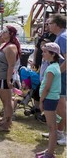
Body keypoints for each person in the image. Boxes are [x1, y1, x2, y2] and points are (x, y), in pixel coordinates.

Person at [0, 25, 21, 132]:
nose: (2, 33)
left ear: (10, 34)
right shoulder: (4, 45)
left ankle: (7, 124)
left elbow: (11, 65)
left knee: (7, 101)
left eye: (5, 32)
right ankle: (5, 119)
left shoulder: (11, 47)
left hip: (4, 77)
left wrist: (8, 80)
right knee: (4, 101)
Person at [36, 43, 62, 158]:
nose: (43, 53)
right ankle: (49, 150)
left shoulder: (51, 68)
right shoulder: (54, 66)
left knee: (52, 128)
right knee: (53, 128)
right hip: (52, 99)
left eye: (45, 52)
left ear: (52, 54)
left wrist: (41, 101)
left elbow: (47, 87)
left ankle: (50, 153)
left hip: (49, 100)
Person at [46, 13, 66, 146]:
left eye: (50, 23)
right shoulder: (60, 36)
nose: (48, 25)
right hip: (61, 75)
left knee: (61, 105)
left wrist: (57, 74)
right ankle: (58, 131)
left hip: (62, 75)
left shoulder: (63, 38)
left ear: (57, 24)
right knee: (59, 104)